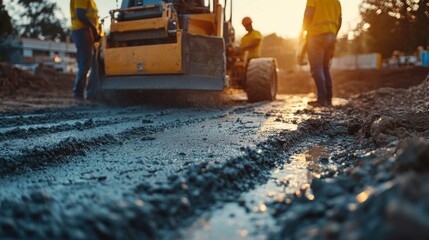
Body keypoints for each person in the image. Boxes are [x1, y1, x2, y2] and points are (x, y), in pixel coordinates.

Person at [302, 0, 342, 107]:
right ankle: (328, 99)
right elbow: (339, 20)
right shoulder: (336, 2)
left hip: (316, 35)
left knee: (317, 68)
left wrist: (304, 31)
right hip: (331, 37)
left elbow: (308, 14)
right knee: (325, 68)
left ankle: (321, 99)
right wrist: (333, 35)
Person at [70, 0, 101, 101]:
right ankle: (78, 93)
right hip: (82, 31)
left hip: (86, 32)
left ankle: (92, 94)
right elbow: (80, 14)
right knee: (85, 63)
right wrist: (94, 28)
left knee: (94, 63)